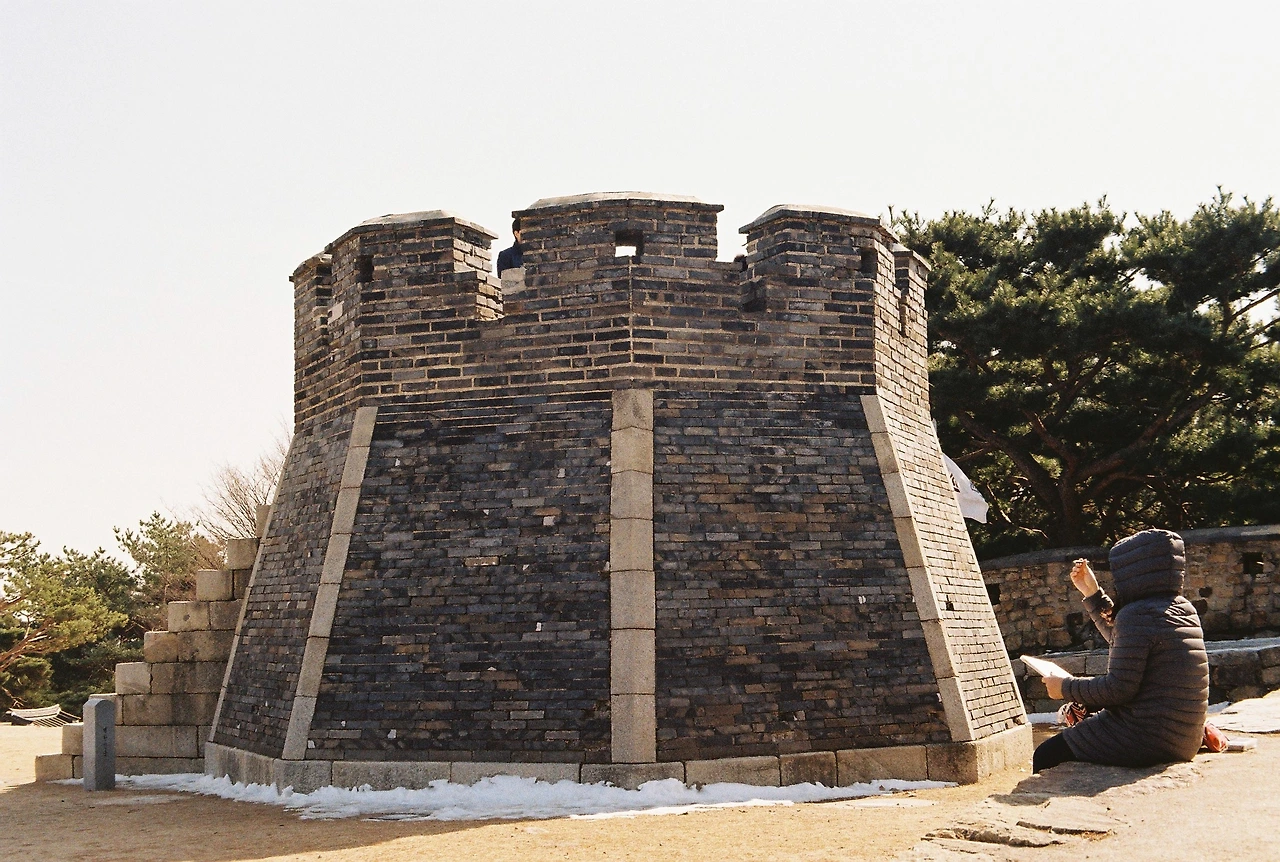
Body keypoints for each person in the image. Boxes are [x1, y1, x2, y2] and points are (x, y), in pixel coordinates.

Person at [1032, 529, 1209, 773]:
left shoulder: (1136, 615)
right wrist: (1093, 594)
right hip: (1182, 739)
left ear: (1131, 572)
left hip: (1145, 735)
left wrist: (1064, 687)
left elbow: (1117, 689)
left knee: (1046, 754)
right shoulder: (1183, 609)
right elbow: (1127, 642)